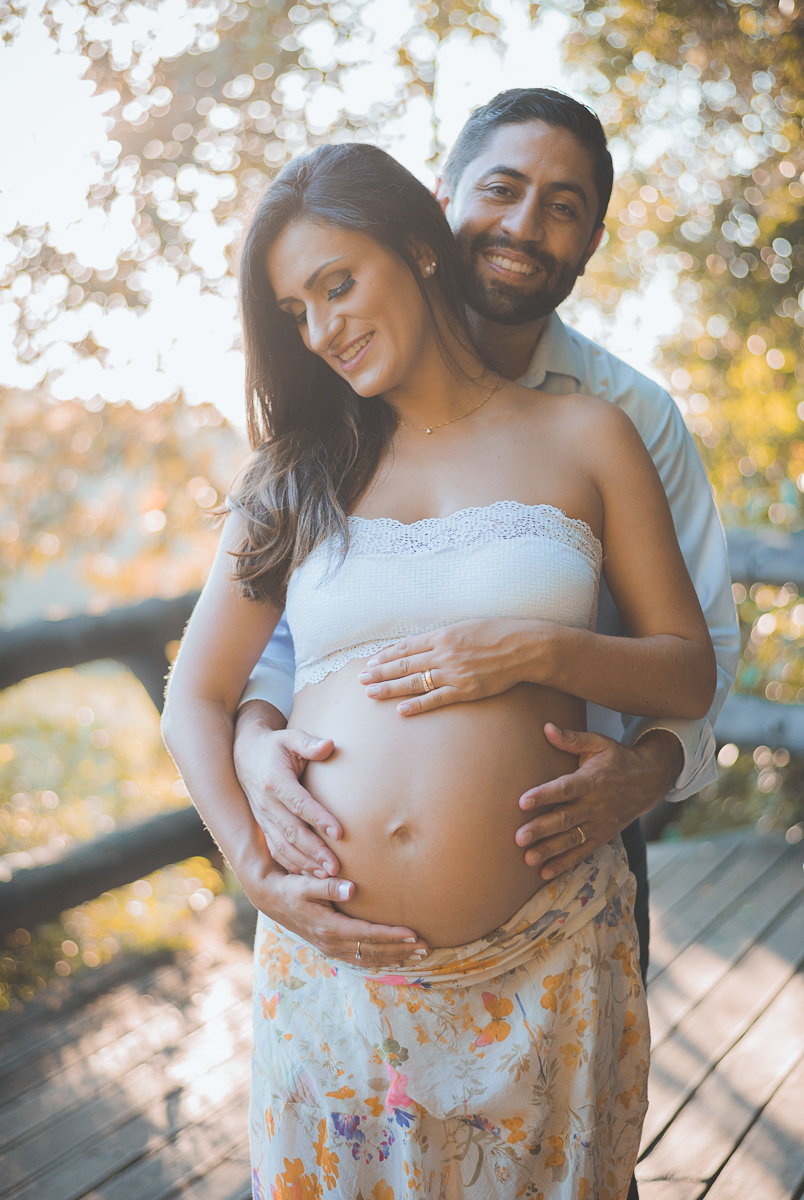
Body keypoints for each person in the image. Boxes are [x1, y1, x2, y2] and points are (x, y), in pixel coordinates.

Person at [162, 140, 717, 1197]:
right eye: (294, 312)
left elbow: (688, 674)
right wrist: (249, 860)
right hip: (336, 969)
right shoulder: (294, 473)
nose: (323, 330)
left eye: (338, 284)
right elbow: (197, 694)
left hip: (545, 957)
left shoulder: (589, 434)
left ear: (419, 249)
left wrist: (542, 648)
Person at [232, 90, 739, 982]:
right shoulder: (328, 428)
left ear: (589, 245)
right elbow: (275, 639)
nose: (523, 225)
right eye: (500, 188)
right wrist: (251, 743)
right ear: (441, 203)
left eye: (563, 208)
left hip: (568, 862)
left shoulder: (626, 419)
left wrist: (647, 772)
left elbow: (703, 655)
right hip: (338, 950)